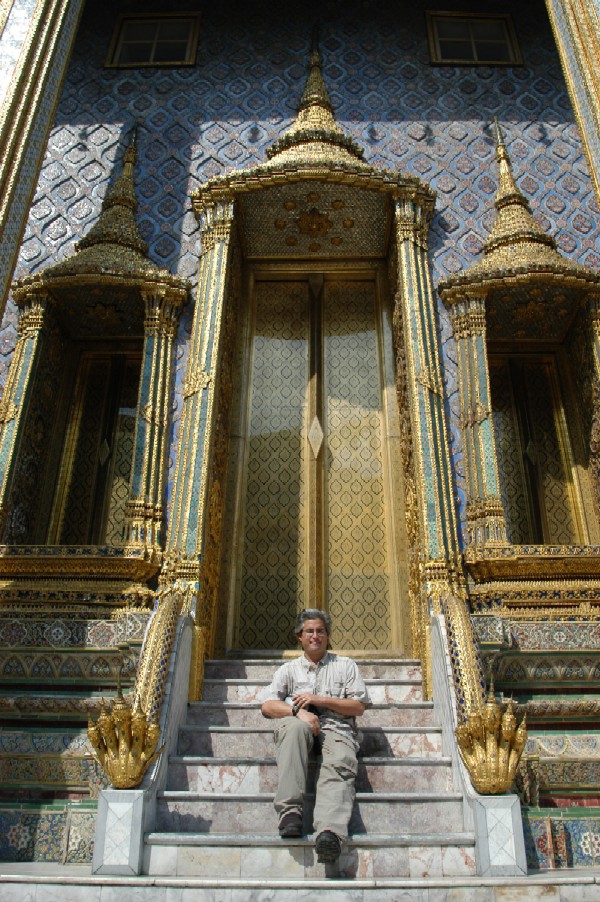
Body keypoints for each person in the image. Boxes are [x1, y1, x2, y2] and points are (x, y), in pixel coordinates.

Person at [260, 608, 371, 864]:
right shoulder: (289, 670)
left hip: (336, 728)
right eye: (309, 631)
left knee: (340, 759)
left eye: (320, 631)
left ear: (328, 635)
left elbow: (358, 707)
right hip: (299, 726)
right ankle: (290, 813)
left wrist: (320, 700)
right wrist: (299, 711)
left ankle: (329, 832)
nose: (315, 636)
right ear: (299, 636)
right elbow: (267, 706)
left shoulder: (345, 666)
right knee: (293, 729)